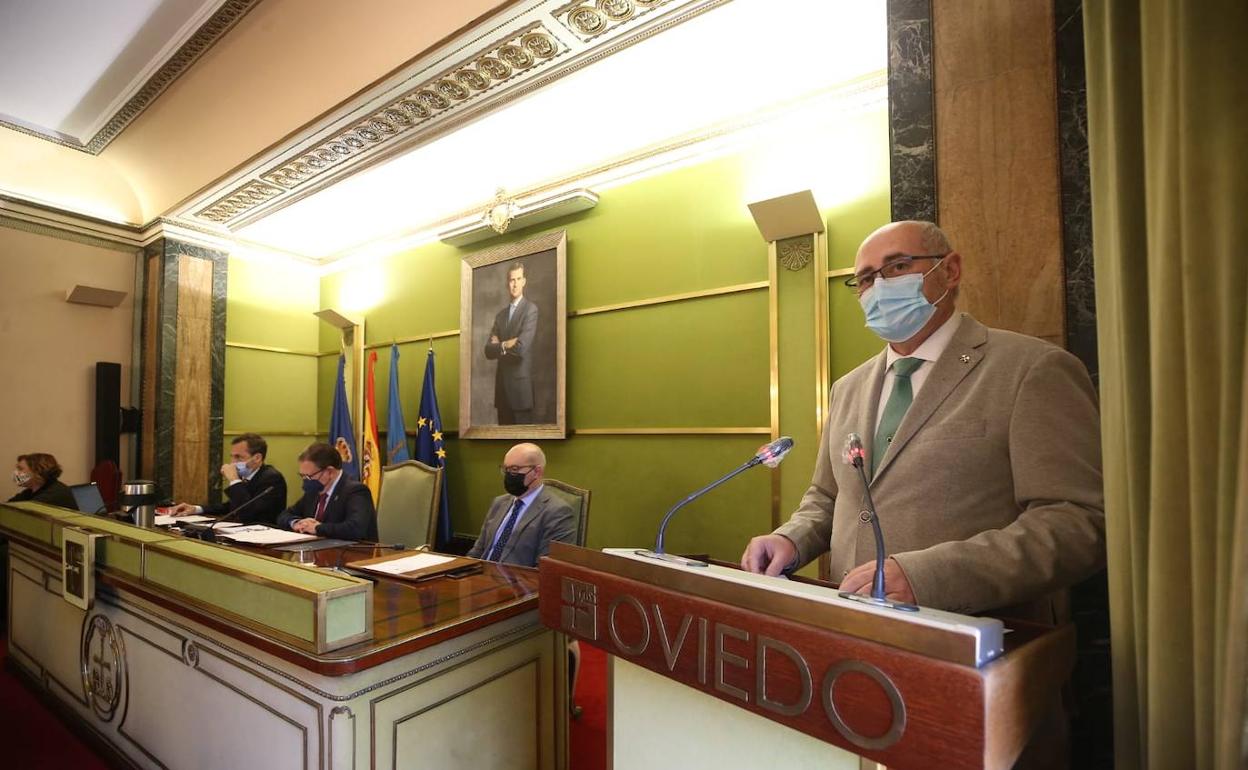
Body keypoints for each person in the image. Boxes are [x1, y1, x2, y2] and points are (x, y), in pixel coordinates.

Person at [741, 220, 1105, 624]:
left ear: (949, 270)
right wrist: (790, 538)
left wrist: (933, 578)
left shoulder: (1031, 369)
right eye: (865, 279)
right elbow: (828, 497)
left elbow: (1077, 521)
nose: (879, 287)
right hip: (852, 628)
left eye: (897, 267)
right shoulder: (848, 387)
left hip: (977, 641)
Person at [467, 443, 575, 567]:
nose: (508, 475)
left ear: (537, 472)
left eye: (515, 469)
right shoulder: (499, 503)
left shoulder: (557, 512)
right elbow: (477, 551)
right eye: (506, 469)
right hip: (480, 575)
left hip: (518, 582)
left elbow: (546, 569)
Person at [168, 433, 287, 524]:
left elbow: (248, 513)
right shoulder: (247, 475)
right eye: (232, 457)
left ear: (257, 458)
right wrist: (196, 509)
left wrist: (234, 480)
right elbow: (230, 506)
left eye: (238, 457)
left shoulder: (272, 478)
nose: (233, 463)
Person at [276, 442, 377, 541]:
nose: (305, 481)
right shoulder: (313, 491)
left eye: (309, 476)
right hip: (316, 550)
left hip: (355, 553)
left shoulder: (356, 491)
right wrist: (296, 523)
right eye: (302, 476)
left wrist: (317, 528)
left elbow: (355, 528)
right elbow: (284, 515)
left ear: (330, 472)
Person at [483, 261, 539, 424]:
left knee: (522, 447)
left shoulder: (530, 310)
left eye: (518, 279)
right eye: (511, 280)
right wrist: (506, 344)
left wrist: (499, 346)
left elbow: (521, 348)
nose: (514, 284)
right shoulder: (500, 316)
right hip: (502, 393)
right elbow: (487, 350)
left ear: (524, 281)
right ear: (507, 283)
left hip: (521, 393)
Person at [8, 453, 76, 509]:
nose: (16, 472)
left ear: (37, 471)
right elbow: (6, 507)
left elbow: (18, 515)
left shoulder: (52, 495)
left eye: (20, 469)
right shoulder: (32, 490)